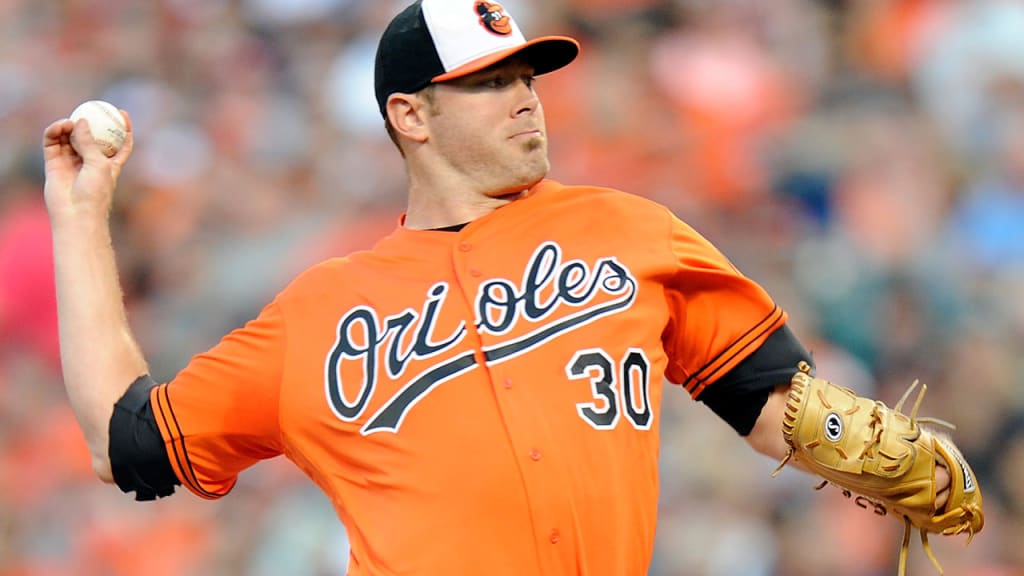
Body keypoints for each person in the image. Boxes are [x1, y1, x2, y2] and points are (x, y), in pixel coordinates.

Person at [43, 1, 975, 574]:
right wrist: (81, 217)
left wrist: (876, 454)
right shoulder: (320, 311)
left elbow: (771, 402)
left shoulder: (627, 228)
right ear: (410, 114)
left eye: (526, 73)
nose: (526, 94)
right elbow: (124, 439)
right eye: (489, 82)